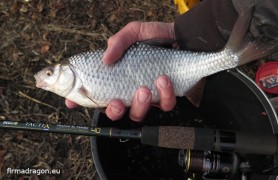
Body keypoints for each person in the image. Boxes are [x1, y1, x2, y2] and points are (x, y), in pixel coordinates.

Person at [66, 0, 278, 121]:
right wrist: (184, 32)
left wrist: (181, 34)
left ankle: (234, 54)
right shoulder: (79, 82)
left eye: (50, 74)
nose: (45, 79)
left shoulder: (80, 73)